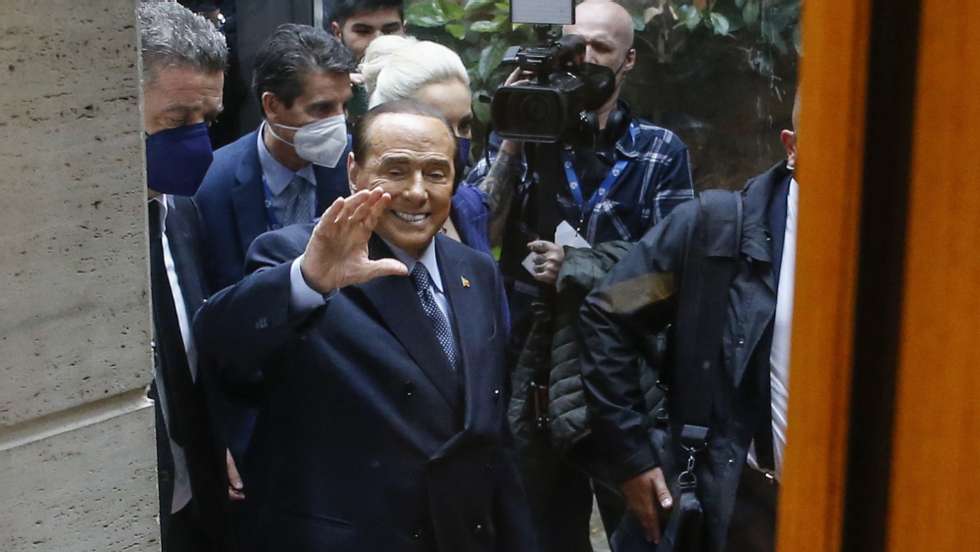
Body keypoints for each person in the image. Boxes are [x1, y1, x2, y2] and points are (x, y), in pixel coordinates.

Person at [193, 100, 535, 551]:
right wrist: (307, 280)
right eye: (396, 171)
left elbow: (492, 435)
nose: (417, 192)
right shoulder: (299, 257)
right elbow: (223, 345)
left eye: (436, 173)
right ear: (354, 171)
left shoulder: (475, 270)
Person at [463, 1, 695, 550]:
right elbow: (476, 231)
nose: (584, 59)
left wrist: (581, 269)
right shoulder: (518, 138)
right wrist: (515, 135)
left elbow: (671, 279)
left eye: (601, 49)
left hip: (619, 378)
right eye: (575, 46)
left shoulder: (658, 151)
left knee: (639, 531)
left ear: (629, 60)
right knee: (534, 534)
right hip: (530, 370)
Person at [579, 90, 801, 552]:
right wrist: (634, 459)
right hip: (738, 499)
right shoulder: (713, 231)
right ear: (792, 147)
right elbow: (609, 313)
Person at [138, 2, 229, 550]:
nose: (197, 141)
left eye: (208, 120)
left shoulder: (184, 210)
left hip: (196, 503)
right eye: (178, 120)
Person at [195, 23, 355, 293]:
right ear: (272, 106)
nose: (338, 122)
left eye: (344, 106)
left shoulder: (357, 165)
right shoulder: (210, 185)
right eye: (322, 108)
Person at [360, 34, 491, 254]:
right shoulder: (341, 237)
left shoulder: (469, 205)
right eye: (440, 125)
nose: (455, 140)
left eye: (465, 125)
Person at [327, 0, 406, 120]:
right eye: (363, 31)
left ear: (404, 29)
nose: (378, 40)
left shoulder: (427, 79)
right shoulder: (326, 83)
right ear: (338, 32)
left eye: (390, 31)